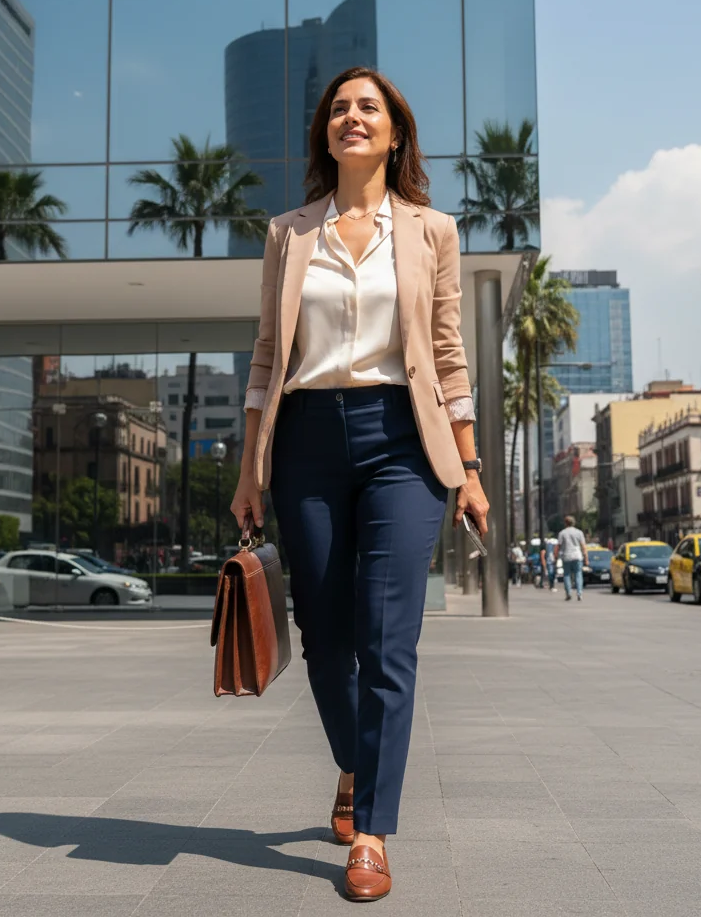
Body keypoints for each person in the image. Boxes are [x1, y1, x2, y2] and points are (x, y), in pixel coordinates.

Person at [230, 66, 490, 902]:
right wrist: (248, 472)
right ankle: (353, 762)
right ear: (325, 134)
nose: (352, 117)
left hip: (403, 443)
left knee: (387, 638)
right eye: (339, 108)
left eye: (367, 108)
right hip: (304, 438)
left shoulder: (431, 231)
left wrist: (471, 464)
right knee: (326, 637)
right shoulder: (288, 234)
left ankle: (372, 830)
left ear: (394, 132)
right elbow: (268, 359)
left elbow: (449, 356)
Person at [555, 514, 588, 601]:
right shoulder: (579, 532)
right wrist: (586, 557)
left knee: (566, 575)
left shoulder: (562, 533)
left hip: (567, 555)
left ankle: (568, 593)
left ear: (565, 523)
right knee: (578, 574)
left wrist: (555, 556)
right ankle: (579, 593)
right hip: (577, 555)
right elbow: (583, 546)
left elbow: (558, 546)